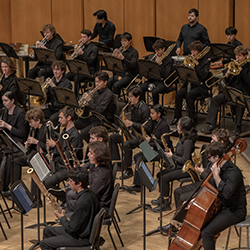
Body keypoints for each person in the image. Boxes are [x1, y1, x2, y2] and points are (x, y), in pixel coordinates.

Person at [198, 141, 246, 250]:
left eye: (209, 158)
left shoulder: (233, 172)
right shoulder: (218, 168)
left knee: (207, 232)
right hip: (222, 206)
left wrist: (216, 176)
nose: (208, 161)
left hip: (235, 211)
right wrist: (194, 200)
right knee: (200, 224)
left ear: (217, 157)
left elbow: (227, 193)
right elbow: (211, 189)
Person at [40, 167, 100, 250]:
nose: (68, 183)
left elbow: (72, 228)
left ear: (79, 183)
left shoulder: (82, 202)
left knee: (44, 244)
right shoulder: (90, 193)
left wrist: (62, 218)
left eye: (71, 181)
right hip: (84, 231)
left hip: (81, 238)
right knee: (47, 230)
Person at [174, 128, 230, 213]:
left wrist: (202, 172)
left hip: (210, 189)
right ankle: (177, 219)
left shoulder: (223, 160)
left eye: (213, 140)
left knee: (183, 198)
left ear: (221, 142)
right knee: (177, 192)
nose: (211, 142)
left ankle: (182, 221)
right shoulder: (214, 152)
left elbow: (213, 180)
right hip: (203, 183)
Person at [151, 116, 197, 212]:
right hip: (179, 166)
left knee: (164, 178)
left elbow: (185, 160)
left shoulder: (188, 142)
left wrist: (172, 156)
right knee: (160, 174)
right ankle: (162, 197)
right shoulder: (183, 137)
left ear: (184, 127)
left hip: (186, 170)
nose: (177, 127)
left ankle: (166, 203)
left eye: (179, 125)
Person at [202, 45, 250, 135]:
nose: (237, 58)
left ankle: (238, 127)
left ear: (245, 56)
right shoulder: (232, 65)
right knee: (215, 99)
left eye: (239, 56)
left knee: (239, 102)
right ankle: (211, 125)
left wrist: (241, 70)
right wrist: (227, 74)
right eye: (236, 55)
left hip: (243, 93)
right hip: (230, 92)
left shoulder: (248, 67)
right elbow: (226, 82)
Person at [128, 104, 173, 192]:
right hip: (155, 148)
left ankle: (139, 185)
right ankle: (142, 181)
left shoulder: (164, 125)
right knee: (137, 156)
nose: (150, 115)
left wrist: (151, 139)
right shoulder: (156, 122)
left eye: (152, 113)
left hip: (162, 152)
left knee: (139, 158)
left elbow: (166, 143)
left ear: (158, 114)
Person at [109, 86, 150, 179]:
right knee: (112, 138)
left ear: (138, 97)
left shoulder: (144, 109)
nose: (129, 99)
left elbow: (148, 127)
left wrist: (132, 124)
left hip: (142, 137)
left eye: (131, 97)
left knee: (127, 144)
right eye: (128, 97)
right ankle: (118, 163)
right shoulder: (133, 106)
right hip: (133, 133)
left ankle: (129, 169)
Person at [44, 106, 83, 204]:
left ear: (69, 118)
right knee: (42, 176)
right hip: (59, 163)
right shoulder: (64, 131)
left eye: (61, 118)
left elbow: (69, 156)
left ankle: (65, 199)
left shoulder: (75, 136)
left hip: (68, 168)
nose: (59, 120)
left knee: (47, 183)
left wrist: (55, 146)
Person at [171, 41, 212, 125]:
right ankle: (177, 117)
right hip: (190, 84)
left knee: (189, 95)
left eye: (194, 51)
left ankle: (192, 119)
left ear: (199, 51)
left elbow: (204, 76)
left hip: (200, 86)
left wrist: (197, 65)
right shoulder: (189, 59)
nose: (192, 53)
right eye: (191, 51)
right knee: (179, 94)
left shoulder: (205, 62)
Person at [1, 91, 28, 195]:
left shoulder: (20, 113)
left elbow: (21, 133)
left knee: (7, 158)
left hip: (17, 142)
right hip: (7, 139)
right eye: (3, 101)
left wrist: (7, 126)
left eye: (6, 101)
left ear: (12, 100)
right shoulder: (4, 111)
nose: (4, 103)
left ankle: (5, 187)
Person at [75, 71, 115, 143]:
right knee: (74, 126)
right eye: (96, 82)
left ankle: (94, 147)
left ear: (105, 82)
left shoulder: (108, 94)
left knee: (83, 133)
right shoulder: (96, 92)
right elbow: (91, 107)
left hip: (103, 121)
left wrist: (89, 101)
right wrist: (84, 104)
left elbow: (100, 110)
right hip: (93, 118)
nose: (96, 84)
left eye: (99, 82)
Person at [140, 39, 176, 105]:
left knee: (155, 91)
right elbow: (147, 71)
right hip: (152, 80)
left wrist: (160, 65)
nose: (156, 52)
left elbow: (165, 75)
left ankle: (156, 109)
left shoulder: (169, 60)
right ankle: (144, 107)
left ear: (163, 49)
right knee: (140, 88)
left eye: (158, 50)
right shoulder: (151, 57)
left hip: (163, 82)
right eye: (155, 50)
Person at [66, 29, 99, 96]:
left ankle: (76, 96)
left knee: (76, 78)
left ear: (89, 37)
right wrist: (75, 52)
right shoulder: (81, 46)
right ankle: (68, 94)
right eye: (81, 37)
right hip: (79, 69)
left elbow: (91, 61)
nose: (82, 39)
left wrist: (82, 53)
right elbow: (77, 60)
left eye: (84, 37)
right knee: (66, 76)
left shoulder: (94, 48)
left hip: (89, 71)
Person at [107, 32, 139, 98]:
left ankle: (117, 101)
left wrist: (123, 58)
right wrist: (114, 57)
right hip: (120, 73)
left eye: (125, 41)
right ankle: (110, 99)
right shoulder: (120, 50)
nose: (123, 43)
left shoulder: (134, 52)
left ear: (130, 41)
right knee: (108, 82)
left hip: (129, 75)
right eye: (122, 41)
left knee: (116, 85)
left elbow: (133, 65)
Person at [42, 60, 72, 126]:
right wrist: (44, 92)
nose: (55, 72)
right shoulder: (52, 81)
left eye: (57, 70)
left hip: (61, 109)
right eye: (54, 69)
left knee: (52, 119)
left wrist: (53, 86)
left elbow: (63, 98)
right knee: (38, 114)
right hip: (52, 107)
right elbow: (47, 98)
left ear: (63, 71)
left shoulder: (67, 83)